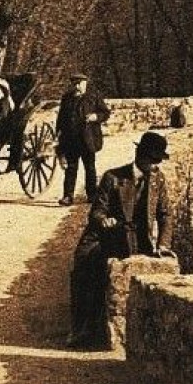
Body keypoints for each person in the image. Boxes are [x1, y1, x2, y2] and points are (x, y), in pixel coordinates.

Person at [67, 131, 175, 349]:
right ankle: (81, 327)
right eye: (152, 161)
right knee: (85, 267)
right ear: (140, 156)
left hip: (138, 239)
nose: (155, 166)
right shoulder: (113, 178)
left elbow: (165, 214)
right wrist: (104, 220)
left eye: (158, 162)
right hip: (107, 236)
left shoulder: (157, 180)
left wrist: (163, 244)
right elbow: (97, 211)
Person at [55, 74, 110, 207]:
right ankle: (68, 196)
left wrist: (95, 117)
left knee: (89, 167)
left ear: (85, 83)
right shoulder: (67, 98)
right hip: (71, 139)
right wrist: (58, 134)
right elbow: (61, 118)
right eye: (74, 84)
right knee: (71, 168)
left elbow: (105, 113)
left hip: (88, 138)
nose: (77, 86)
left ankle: (91, 195)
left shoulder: (94, 97)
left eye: (80, 83)